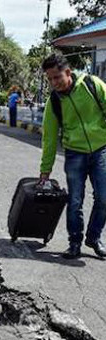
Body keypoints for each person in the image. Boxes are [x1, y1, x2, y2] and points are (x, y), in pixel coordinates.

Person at [39, 53, 106, 259]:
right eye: (49, 79)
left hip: (101, 149)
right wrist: (45, 169)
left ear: (68, 72)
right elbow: (49, 137)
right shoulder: (54, 102)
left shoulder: (92, 84)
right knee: (75, 200)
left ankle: (94, 238)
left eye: (57, 77)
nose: (54, 82)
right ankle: (74, 242)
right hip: (74, 154)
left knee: (104, 198)